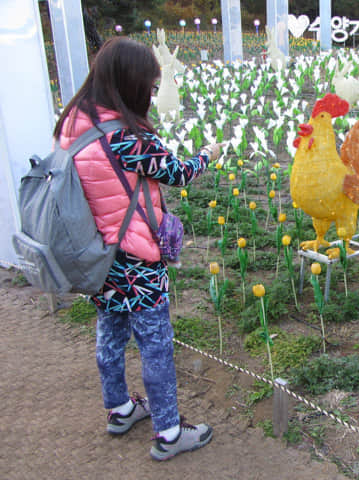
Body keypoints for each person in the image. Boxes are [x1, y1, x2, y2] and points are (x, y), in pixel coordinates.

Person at [53, 37, 221, 461]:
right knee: (155, 344)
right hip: (136, 258)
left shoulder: (72, 124)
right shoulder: (127, 138)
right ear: (128, 83)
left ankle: (120, 408)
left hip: (96, 256)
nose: (149, 94)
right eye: (147, 86)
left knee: (110, 335)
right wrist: (207, 154)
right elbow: (178, 173)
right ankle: (168, 432)